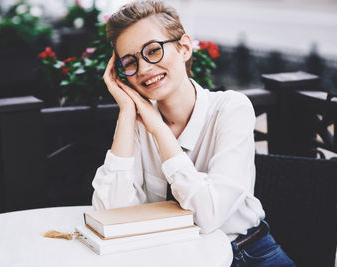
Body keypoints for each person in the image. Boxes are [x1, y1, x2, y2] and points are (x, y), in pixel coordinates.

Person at [91, 1, 295, 266]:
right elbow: (110, 214)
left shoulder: (231, 108)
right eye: (129, 62)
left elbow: (209, 215)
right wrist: (127, 113)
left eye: (153, 50)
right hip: (173, 257)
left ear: (184, 47)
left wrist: (158, 129)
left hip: (246, 254)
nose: (142, 69)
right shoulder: (138, 122)